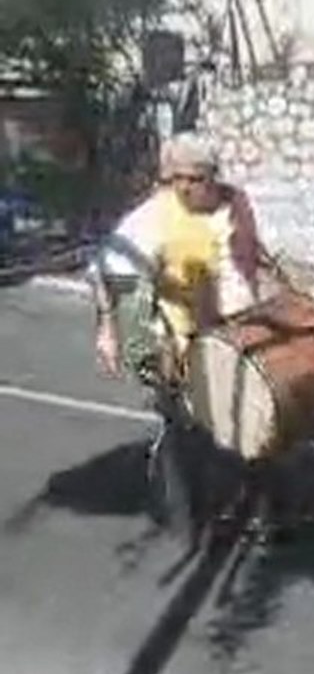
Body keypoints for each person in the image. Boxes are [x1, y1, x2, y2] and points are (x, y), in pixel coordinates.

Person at [88, 131, 265, 532]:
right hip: (175, 337)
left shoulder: (233, 206)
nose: (184, 186)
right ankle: (179, 509)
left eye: (194, 178)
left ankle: (242, 503)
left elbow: (249, 262)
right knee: (185, 426)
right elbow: (104, 269)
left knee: (242, 422)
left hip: (231, 335)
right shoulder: (154, 217)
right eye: (176, 178)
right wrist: (108, 329)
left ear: (213, 177)